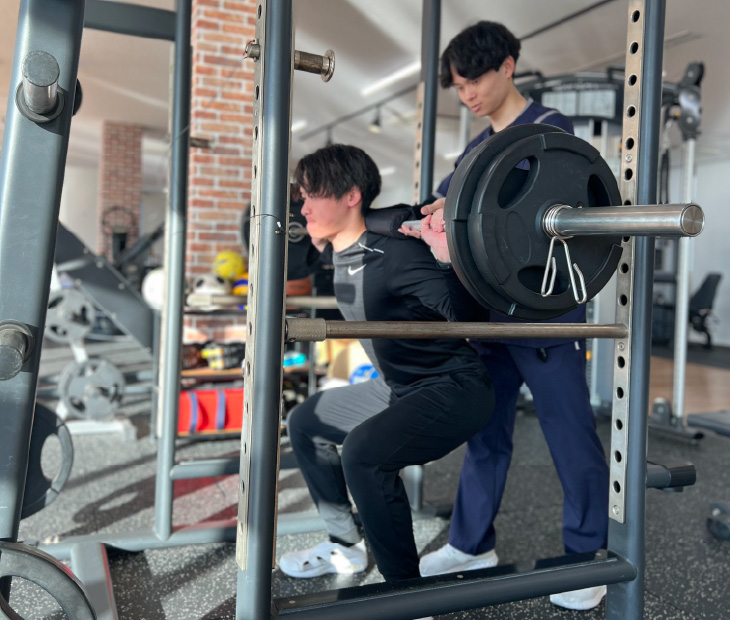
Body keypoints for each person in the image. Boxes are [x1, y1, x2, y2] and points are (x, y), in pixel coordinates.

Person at [398, 21, 609, 612]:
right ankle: (471, 545)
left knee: (570, 436)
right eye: (459, 85)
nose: (468, 93)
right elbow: (443, 206)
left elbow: (525, 204)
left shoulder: (550, 130)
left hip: (546, 316)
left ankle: (587, 559)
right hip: (490, 316)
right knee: (484, 436)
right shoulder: (474, 151)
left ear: (508, 66)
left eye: (476, 79)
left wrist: (456, 204)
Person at [278, 144, 495, 585]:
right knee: (305, 423)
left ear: (351, 196)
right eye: (302, 196)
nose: (304, 207)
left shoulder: (395, 255)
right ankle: (345, 546)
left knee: (364, 455)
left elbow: (470, 319)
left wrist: (445, 257)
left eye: (313, 195)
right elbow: (300, 256)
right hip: (396, 385)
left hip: (451, 387)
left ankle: (404, 594)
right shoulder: (337, 249)